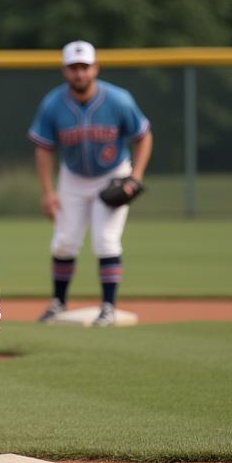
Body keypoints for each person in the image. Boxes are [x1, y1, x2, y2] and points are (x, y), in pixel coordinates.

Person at [28, 40, 153, 327]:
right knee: (64, 242)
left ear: (95, 68)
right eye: (73, 68)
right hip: (72, 177)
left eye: (84, 67)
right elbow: (43, 148)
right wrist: (47, 192)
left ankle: (108, 307)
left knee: (106, 240)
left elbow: (143, 136)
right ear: (65, 71)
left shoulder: (119, 100)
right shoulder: (53, 104)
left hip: (112, 175)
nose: (79, 73)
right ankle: (58, 303)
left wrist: (136, 176)